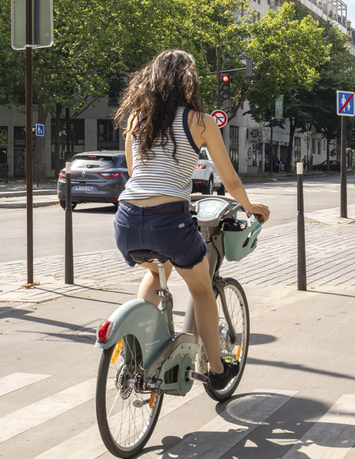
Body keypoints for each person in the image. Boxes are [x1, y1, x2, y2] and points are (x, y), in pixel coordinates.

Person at [113, 49, 270, 391]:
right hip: (169, 220)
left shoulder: (137, 119)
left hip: (126, 220)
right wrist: (250, 207)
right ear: (188, 80)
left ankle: (136, 356)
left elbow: (134, 174)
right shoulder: (200, 121)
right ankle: (217, 369)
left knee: (157, 272)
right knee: (200, 288)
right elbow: (230, 181)